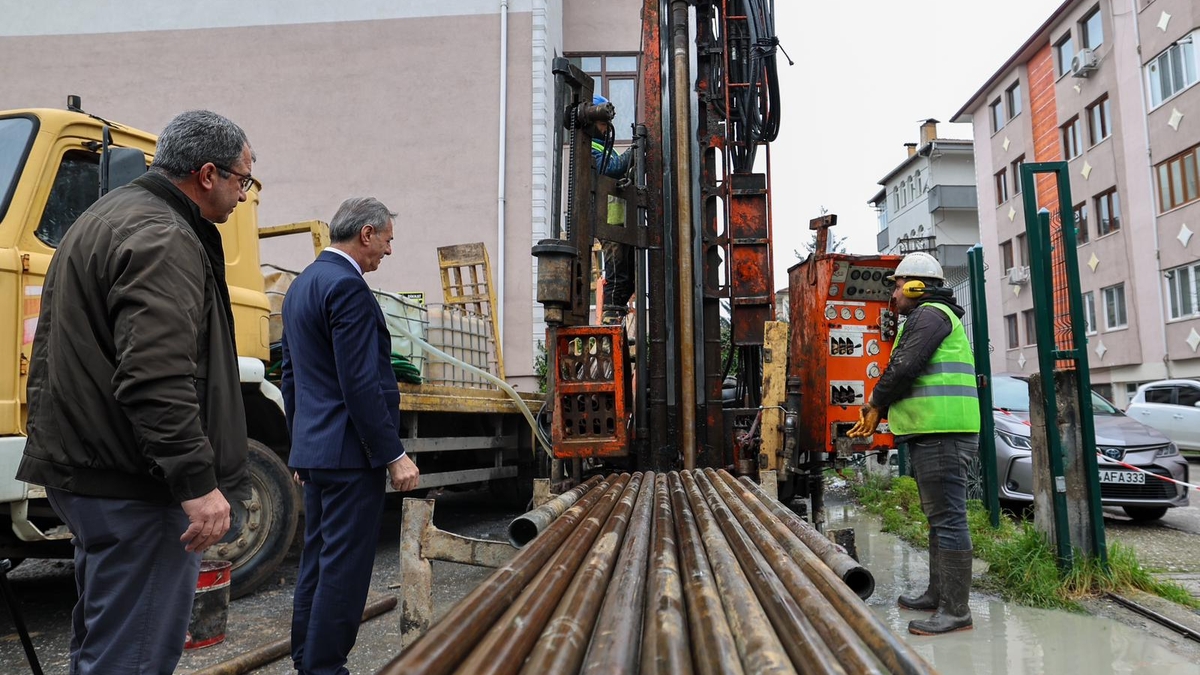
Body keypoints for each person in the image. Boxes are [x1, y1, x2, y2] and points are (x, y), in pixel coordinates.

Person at [18, 110, 254, 673]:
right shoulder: (163, 235)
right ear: (206, 174)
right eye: (242, 179)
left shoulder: (108, 216)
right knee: (136, 653)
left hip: (94, 469)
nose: (244, 195)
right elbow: (155, 376)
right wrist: (196, 481)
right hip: (135, 483)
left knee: (107, 642)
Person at [281, 197, 420, 675]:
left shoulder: (302, 287)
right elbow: (360, 384)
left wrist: (299, 448)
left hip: (318, 453)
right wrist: (393, 455)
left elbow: (292, 378)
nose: (388, 251)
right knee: (345, 569)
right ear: (365, 233)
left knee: (317, 561)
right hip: (348, 455)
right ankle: (324, 667)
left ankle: (306, 658)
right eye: (386, 240)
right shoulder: (348, 288)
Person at [847, 251, 979, 636]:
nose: (894, 293)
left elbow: (904, 366)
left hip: (943, 431)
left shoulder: (929, 315)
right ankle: (940, 596)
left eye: (898, 284)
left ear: (918, 285)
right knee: (940, 519)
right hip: (936, 430)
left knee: (950, 519)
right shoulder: (931, 317)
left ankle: (956, 611)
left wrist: (874, 403)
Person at [589, 94, 636, 325]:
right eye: (603, 123)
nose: (607, 129)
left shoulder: (605, 147)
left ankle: (617, 310)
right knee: (616, 270)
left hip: (618, 220)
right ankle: (610, 313)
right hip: (608, 221)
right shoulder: (590, 146)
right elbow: (612, 168)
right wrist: (634, 150)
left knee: (629, 275)